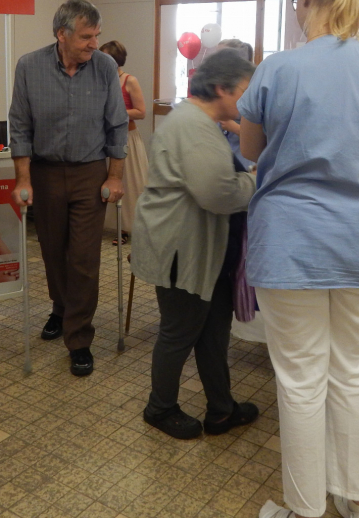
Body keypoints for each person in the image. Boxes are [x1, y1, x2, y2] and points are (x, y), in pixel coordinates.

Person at [237, 0, 359, 518]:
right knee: (350, 371)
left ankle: (304, 510)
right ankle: (357, 500)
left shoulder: (278, 68)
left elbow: (251, 152)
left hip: (293, 242)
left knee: (301, 380)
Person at [132, 50, 259, 439]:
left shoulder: (201, 121)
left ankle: (221, 409)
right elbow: (217, 194)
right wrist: (259, 179)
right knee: (179, 332)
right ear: (220, 88)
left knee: (213, 333)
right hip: (181, 249)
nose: (249, 103)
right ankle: (160, 407)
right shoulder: (194, 126)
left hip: (204, 250)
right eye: (244, 93)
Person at [9, 0, 127, 377]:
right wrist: (23, 178)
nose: (94, 44)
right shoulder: (30, 66)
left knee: (84, 258)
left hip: (90, 173)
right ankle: (60, 309)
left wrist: (115, 176)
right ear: (62, 35)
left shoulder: (105, 68)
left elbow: (117, 125)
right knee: (52, 251)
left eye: (97, 36)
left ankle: (79, 339)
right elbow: (20, 125)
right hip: (44, 172)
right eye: (86, 37)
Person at [99, 40, 147, 244]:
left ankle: (129, 228)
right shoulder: (99, 79)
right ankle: (114, 225)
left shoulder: (129, 80)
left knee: (130, 183)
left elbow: (141, 112)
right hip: (103, 139)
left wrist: (114, 114)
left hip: (127, 137)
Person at [216, 39, 256, 170]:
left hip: (243, 159)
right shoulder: (218, 86)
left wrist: (233, 127)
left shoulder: (252, 90)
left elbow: (262, 138)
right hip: (222, 156)